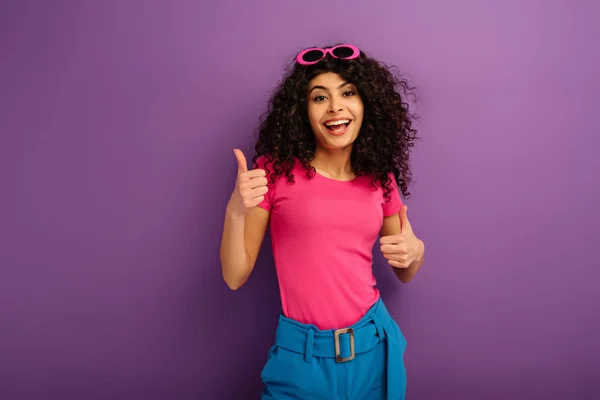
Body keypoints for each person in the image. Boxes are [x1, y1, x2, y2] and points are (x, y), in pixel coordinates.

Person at [220, 43, 425, 400]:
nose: (335, 107)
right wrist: (235, 210)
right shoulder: (275, 171)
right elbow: (235, 276)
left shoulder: (380, 179)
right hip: (302, 360)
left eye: (348, 93)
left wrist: (416, 250)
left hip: (374, 350)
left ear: (366, 106)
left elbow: (405, 270)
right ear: (303, 110)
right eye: (319, 97)